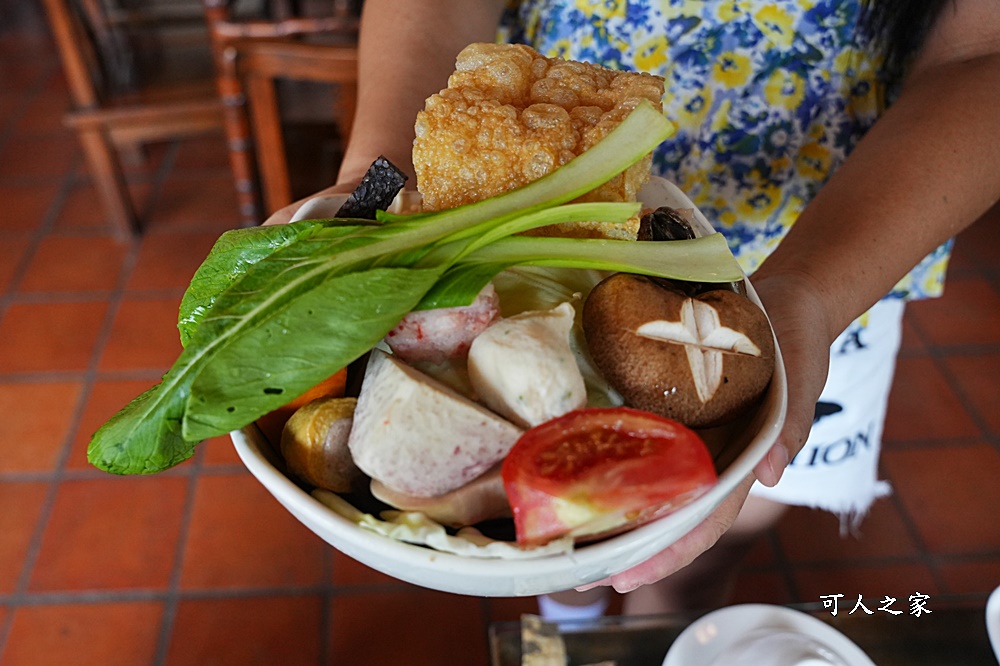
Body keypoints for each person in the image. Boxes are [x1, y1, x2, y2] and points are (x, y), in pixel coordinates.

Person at [265, 0, 1000, 616]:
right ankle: (571, 621)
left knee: (701, 552)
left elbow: (982, 55)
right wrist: (375, 182)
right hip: (528, 177)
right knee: (568, 565)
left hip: (849, 243)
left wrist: (810, 294)